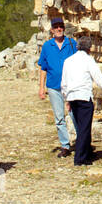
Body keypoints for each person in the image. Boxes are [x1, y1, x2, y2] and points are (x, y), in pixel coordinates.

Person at [58, 34, 102, 166]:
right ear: (89, 48)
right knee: (84, 128)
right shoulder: (88, 60)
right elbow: (99, 78)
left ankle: (87, 152)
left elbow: (63, 83)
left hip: (72, 97)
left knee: (81, 126)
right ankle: (80, 158)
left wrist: (66, 99)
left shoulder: (68, 61)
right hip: (83, 96)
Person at [37, 18, 78, 158]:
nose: (59, 29)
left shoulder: (72, 44)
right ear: (52, 30)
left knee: (74, 115)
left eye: (61, 26)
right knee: (59, 117)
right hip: (54, 86)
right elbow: (43, 68)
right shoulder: (47, 46)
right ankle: (65, 145)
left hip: (70, 86)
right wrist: (41, 88)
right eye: (56, 27)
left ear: (64, 28)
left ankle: (81, 142)